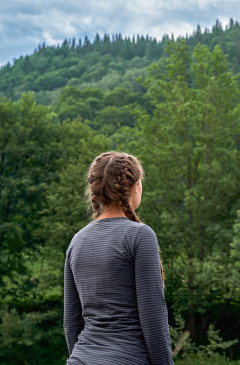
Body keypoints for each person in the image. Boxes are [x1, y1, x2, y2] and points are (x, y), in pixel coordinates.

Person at [63, 151, 173, 365]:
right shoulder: (141, 235)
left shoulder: (77, 241)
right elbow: (153, 319)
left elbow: (71, 322)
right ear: (133, 187)